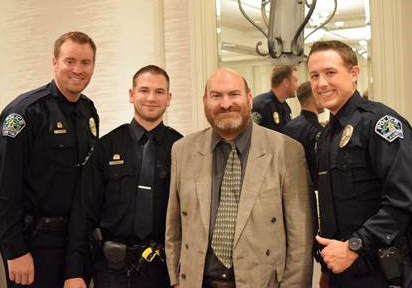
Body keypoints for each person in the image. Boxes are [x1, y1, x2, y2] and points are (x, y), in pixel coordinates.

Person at [165, 67, 315, 288]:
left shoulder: (286, 150)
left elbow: (301, 238)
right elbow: (174, 227)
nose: (226, 104)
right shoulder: (183, 150)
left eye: (234, 94)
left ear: (249, 98)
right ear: (205, 101)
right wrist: (176, 280)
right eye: (216, 96)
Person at [63, 65, 182, 288]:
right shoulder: (106, 147)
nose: (151, 98)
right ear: (131, 94)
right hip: (111, 271)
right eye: (144, 90)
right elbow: (83, 212)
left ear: (169, 98)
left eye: (159, 92)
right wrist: (74, 271)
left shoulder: (181, 148)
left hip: (163, 271)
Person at [308, 40, 412, 287]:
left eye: (330, 73)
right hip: (341, 273)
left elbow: (404, 199)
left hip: (382, 272)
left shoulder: (380, 123)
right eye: (314, 75)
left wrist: (356, 245)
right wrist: (327, 270)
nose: (321, 83)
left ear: (354, 74)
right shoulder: (325, 136)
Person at [0, 31, 98, 288]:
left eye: (86, 63)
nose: (78, 70)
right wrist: (14, 250)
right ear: (54, 63)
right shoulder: (24, 112)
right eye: (69, 61)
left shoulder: (88, 111)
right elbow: (4, 186)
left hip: (75, 244)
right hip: (34, 243)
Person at [283, 81, 324, 189]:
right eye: (320, 94)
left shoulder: (290, 126)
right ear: (315, 98)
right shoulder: (315, 130)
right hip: (312, 188)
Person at [252, 65, 299, 132]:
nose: (297, 85)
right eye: (295, 81)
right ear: (286, 82)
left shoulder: (286, 108)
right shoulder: (260, 105)